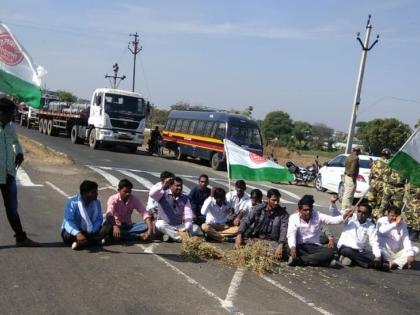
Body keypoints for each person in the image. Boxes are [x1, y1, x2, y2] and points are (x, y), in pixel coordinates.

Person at [0, 97, 40, 247]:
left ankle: (21, 238)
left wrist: (20, 153)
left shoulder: (10, 127)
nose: (13, 116)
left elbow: (16, 142)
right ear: (2, 113)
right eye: (11, 113)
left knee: (12, 208)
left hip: (9, 172)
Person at [287, 194, 351, 267]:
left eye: (309, 210)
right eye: (305, 210)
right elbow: (291, 234)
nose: (308, 212)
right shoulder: (293, 218)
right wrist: (292, 247)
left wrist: (344, 216)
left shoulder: (317, 215)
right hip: (299, 246)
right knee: (287, 249)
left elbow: (332, 220)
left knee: (330, 252)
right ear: (299, 210)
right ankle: (322, 261)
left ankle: (301, 260)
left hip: (314, 246)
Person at [235, 189, 289, 260]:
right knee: (241, 243)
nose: (276, 203)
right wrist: (239, 234)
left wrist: (281, 244)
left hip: (271, 242)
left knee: (283, 251)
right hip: (255, 239)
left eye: (278, 200)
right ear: (268, 199)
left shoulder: (283, 214)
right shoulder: (258, 208)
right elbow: (246, 221)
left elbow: (284, 230)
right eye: (274, 200)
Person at [100, 179, 153, 244]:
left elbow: (144, 213)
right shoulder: (113, 199)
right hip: (116, 224)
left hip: (128, 226)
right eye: (125, 191)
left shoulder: (133, 199)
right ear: (119, 190)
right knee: (109, 227)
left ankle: (119, 236)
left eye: (130, 191)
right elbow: (109, 214)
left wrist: (150, 229)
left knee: (146, 225)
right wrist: (115, 226)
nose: (128, 194)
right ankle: (137, 236)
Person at [149, 176, 201, 241]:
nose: (179, 188)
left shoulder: (185, 198)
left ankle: (171, 236)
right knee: (159, 224)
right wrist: (164, 184)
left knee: (196, 228)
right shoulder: (163, 193)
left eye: (181, 186)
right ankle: (184, 238)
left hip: (178, 226)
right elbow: (152, 194)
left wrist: (186, 228)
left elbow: (188, 214)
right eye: (177, 186)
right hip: (165, 225)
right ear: (170, 186)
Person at [337, 203, 382, 268]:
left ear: (368, 215)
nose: (360, 214)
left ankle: (352, 260)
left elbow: (374, 241)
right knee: (348, 251)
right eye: (359, 211)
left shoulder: (371, 225)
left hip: (359, 251)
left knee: (379, 255)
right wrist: (333, 204)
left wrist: (378, 256)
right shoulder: (350, 217)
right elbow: (335, 214)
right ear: (356, 211)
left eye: (364, 213)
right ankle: (369, 264)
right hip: (345, 248)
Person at [61, 180, 103, 250]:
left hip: (89, 230)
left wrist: (93, 230)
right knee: (67, 235)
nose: (96, 194)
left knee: (103, 230)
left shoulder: (97, 202)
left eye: (96, 192)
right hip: (74, 231)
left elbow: (99, 219)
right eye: (93, 192)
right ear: (85, 193)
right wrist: (77, 233)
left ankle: (80, 243)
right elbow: (68, 222)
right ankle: (88, 242)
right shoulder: (72, 202)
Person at [377, 206, 419, 270]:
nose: (394, 218)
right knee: (377, 250)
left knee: (415, 249)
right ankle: (396, 263)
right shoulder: (381, 220)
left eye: (396, 216)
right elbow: (381, 231)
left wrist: (410, 254)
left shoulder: (402, 224)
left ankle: (394, 263)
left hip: (396, 253)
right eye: (392, 216)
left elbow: (406, 240)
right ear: (387, 214)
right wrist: (395, 224)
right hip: (384, 251)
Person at [368, 148, 391, 220]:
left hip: (374, 182)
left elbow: (371, 173)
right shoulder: (390, 163)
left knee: (371, 200)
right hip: (383, 184)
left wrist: (370, 182)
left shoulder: (375, 162)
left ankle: (369, 214)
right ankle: (375, 217)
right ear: (389, 155)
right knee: (379, 202)